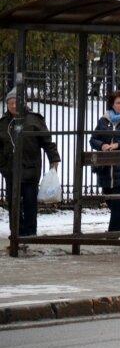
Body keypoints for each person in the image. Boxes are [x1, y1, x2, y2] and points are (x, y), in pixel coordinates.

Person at [1, 88, 61, 237]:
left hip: (30, 168)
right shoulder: (3, 123)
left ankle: (29, 233)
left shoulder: (35, 119)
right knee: (13, 202)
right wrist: (2, 165)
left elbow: (47, 141)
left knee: (29, 202)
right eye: (11, 103)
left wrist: (54, 158)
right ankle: (16, 231)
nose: (14, 105)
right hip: (10, 169)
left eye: (17, 102)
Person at [90, 90, 120, 232]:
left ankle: (113, 233)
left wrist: (119, 145)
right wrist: (102, 145)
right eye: (118, 103)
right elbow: (93, 139)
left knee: (117, 201)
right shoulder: (104, 120)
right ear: (112, 104)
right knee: (109, 200)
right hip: (105, 168)